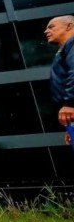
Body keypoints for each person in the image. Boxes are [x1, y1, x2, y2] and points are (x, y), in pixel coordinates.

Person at [46, 15, 74, 145]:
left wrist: (70, 103)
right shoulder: (65, 50)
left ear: (69, 26)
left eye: (51, 27)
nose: (46, 31)